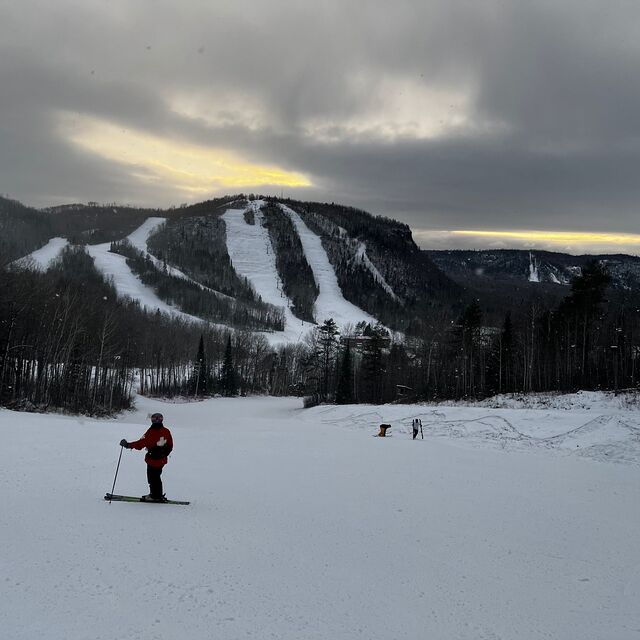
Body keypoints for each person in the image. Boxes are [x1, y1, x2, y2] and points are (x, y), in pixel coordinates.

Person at [120, 412, 173, 502]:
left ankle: (156, 496)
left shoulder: (151, 432)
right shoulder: (166, 431)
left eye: (157, 419)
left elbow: (140, 444)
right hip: (161, 460)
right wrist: (164, 454)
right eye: (154, 418)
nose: (155, 420)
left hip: (153, 460)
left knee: (153, 478)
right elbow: (170, 445)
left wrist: (128, 445)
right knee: (155, 477)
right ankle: (156, 494)